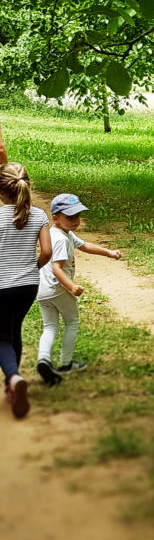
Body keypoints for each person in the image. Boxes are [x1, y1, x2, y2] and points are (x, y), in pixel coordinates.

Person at [36, 193, 121, 386]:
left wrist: (108, 252)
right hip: (58, 289)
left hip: (42, 290)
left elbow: (84, 245)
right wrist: (71, 286)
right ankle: (65, 364)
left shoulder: (58, 233)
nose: (76, 220)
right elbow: (57, 268)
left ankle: (44, 359)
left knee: (50, 326)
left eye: (78, 216)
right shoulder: (62, 240)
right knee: (72, 322)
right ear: (55, 218)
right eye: (70, 217)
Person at [0, 161, 52, 418]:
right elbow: (47, 252)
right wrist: (32, 267)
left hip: (1, 285)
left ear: (0, 192)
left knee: (1, 337)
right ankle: (13, 382)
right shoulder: (40, 215)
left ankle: (13, 377)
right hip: (28, 285)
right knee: (13, 329)